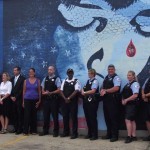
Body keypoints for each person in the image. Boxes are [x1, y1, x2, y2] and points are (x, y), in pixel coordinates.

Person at [100, 64, 121, 142]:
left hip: (113, 101)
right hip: (106, 100)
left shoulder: (116, 78)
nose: (110, 70)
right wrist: (101, 90)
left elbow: (116, 88)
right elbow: (102, 87)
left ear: (114, 70)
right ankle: (109, 134)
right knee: (107, 118)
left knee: (113, 118)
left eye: (112, 69)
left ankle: (115, 136)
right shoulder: (106, 77)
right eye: (109, 69)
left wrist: (105, 90)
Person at [39, 66, 61, 137]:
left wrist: (50, 93)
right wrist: (44, 92)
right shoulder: (45, 78)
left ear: (54, 70)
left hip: (54, 100)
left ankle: (56, 131)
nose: (49, 71)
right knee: (46, 116)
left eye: (51, 70)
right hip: (46, 100)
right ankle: (45, 130)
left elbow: (59, 90)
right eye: (48, 70)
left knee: (55, 116)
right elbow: (42, 88)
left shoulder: (57, 78)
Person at [60, 68, 81, 139]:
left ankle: (74, 133)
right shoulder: (64, 81)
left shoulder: (76, 81)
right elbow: (61, 91)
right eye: (69, 73)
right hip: (65, 102)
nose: (70, 74)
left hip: (73, 102)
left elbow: (76, 91)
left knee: (73, 118)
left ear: (73, 73)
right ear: (67, 73)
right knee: (65, 117)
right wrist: (65, 98)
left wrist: (69, 98)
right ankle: (66, 132)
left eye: (71, 72)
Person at [122, 70, 140, 143]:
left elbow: (135, 95)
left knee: (128, 120)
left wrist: (126, 100)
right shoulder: (128, 84)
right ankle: (134, 136)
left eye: (130, 75)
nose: (128, 76)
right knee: (132, 120)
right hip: (128, 105)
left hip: (132, 104)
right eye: (128, 75)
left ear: (133, 76)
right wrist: (123, 100)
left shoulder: (135, 84)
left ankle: (129, 136)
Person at [81, 68, 99, 140]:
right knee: (87, 118)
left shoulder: (95, 81)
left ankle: (95, 135)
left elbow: (93, 91)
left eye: (90, 73)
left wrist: (84, 93)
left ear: (93, 74)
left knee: (92, 118)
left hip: (92, 102)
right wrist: (82, 90)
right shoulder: (88, 81)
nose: (89, 74)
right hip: (86, 101)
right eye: (88, 73)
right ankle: (90, 133)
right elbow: (83, 88)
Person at [23, 68, 41, 135]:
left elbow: (39, 91)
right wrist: (23, 101)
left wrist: (39, 100)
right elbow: (24, 91)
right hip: (27, 99)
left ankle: (33, 130)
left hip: (35, 100)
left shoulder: (38, 81)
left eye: (32, 72)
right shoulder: (25, 81)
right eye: (29, 72)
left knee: (34, 115)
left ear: (34, 73)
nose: (30, 73)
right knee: (27, 115)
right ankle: (25, 131)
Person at [10, 66, 25, 134]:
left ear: (19, 71)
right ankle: (15, 128)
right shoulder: (12, 79)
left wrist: (16, 97)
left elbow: (22, 90)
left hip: (19, 99)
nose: (14, 71)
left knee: (20, 114)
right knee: (14, 114)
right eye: (14, 70)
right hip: (12, 99)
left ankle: (20, 128)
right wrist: (11, 96)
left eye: (15, 70)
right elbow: (10, 88)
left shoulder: (23, 79)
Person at [142, 71, 150, 141]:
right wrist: (143, 95)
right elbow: (143, 88)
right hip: (147, 102)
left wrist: (145, 95)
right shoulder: (147, 79)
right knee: (147, 119)